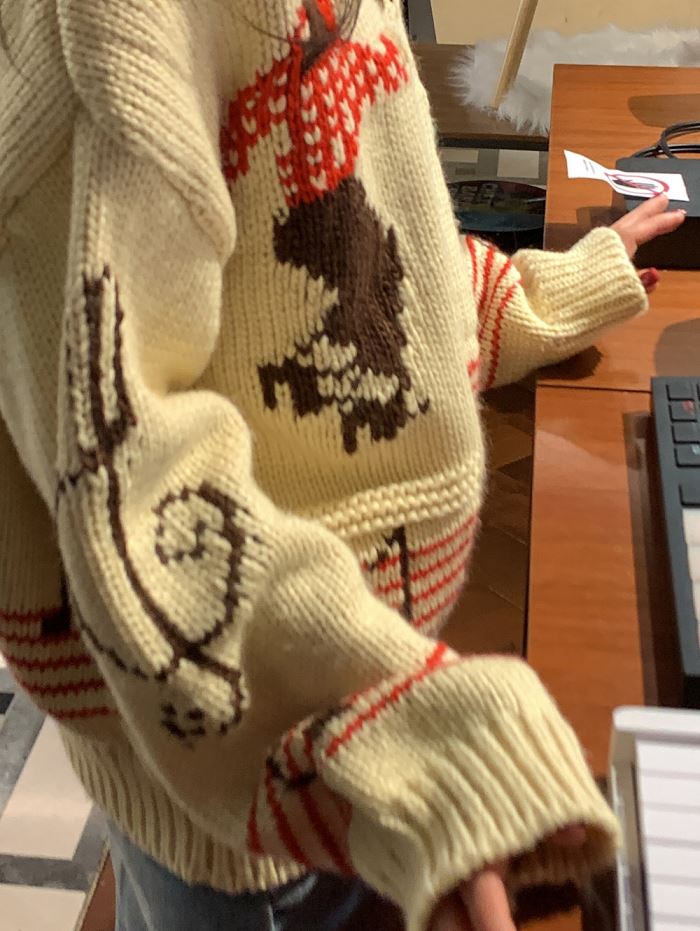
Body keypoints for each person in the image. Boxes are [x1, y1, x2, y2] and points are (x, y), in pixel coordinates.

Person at [0, 2, 684, 929]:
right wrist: (405, 741)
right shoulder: (117, 25)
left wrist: (536, 295)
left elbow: (363, 244)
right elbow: (126, 484)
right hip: (265, 770)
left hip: (330, 704)